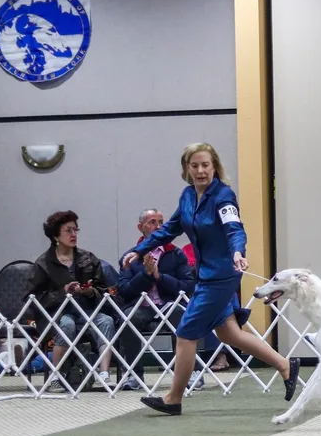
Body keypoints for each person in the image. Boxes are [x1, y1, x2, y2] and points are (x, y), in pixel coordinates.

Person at [122, 143, 300, 415]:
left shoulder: (223, 196)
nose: (200, 170)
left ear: (214, 166)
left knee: (185, 333)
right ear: (187, 169)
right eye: (194, 166)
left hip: (221, 277)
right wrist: (140, 249)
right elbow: (170, 229)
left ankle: (173, 398)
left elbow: (234, 229)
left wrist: (238, 252)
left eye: (205, 165)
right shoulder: (187, 196)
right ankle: (286, 366)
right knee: (230, 334)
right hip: (205, 276)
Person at [25, 210, 116, 390]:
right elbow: (32, 298)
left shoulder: (88, 258)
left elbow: (102, 289)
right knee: (67, 324)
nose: (74, 234)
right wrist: (62, 292)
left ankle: (104, 374)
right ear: (55, 235)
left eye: (76, 230)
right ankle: (56, 374)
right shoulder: (43, 263)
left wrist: (90, 291)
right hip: (56, 313)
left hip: (86, 310)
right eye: (68, 230)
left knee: (106, 321)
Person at [118, 208, 196, 390]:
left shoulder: (176, 254)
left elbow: (187, 286)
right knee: (128, 317)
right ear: (141, 227)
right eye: (152, 222)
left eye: (161, 222)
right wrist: (145, 275)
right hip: (141, 306)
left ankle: (188, 373)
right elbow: (124, 291)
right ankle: (134, 374)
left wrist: (159, 276)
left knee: (181, 313)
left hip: (168, 304)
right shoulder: (130, 257)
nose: (158, 226)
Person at [182, 242, 231, 372]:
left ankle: (220, 355)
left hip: (215, 290)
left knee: (208, 314)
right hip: (192, 291)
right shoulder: (185, 250)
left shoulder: (219, 249)